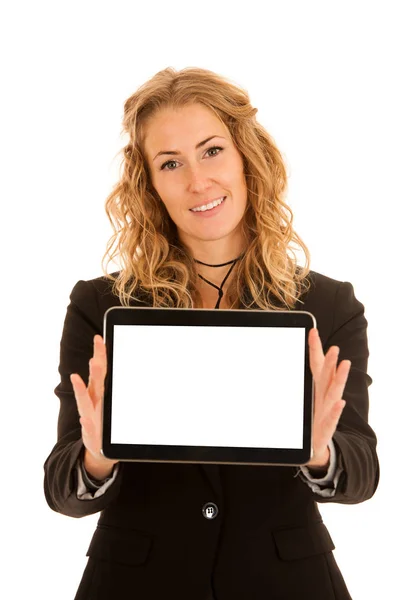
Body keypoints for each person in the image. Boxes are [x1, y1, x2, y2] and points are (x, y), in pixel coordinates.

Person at [43, 67, 379, 600]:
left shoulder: (327, 304)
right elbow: (63, 492)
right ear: (148, 182)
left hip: (287, 582)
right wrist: (96, 455)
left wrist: (320, 453)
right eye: (170, 163)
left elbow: (361, 473)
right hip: (135, 583)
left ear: (247, 155)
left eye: (213, 151)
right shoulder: (101, 306)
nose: (197, 181)